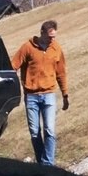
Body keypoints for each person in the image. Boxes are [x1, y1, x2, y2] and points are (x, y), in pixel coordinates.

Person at [10, 19, 69, 166]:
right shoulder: (27, 47)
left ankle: (48, 163)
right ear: (42, 33)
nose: (52, 39)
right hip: (31, 96)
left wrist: (65, 94)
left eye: (54, 36)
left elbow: (61, 73)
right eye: (50, 36)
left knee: (49, 130)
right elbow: (13, 66)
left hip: (49, 94)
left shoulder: (56, 49)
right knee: (35, 132)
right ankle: (40, 162)